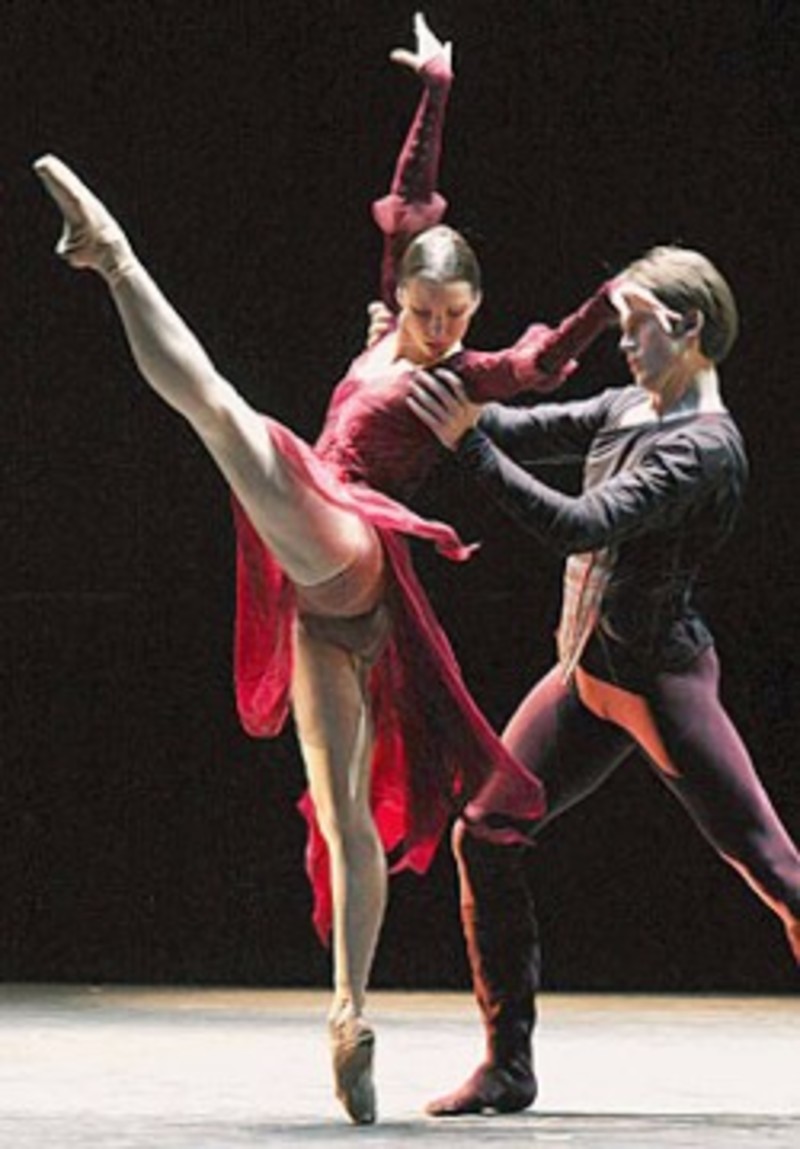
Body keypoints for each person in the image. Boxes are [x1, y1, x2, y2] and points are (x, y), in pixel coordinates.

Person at [33, 12, 620, 1125]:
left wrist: (609, 301)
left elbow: (542, 363)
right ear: (404, 296)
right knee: (344, 813)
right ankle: (349, 1013)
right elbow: (411, 201)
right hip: (336, 608)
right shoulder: (391, 316)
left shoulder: (462, 372)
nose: (437, 329)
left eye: (454, 316)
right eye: (424, 310)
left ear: (474, 309)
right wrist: (436, 88)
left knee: (228, 420)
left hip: (349, 541)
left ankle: (112, 256)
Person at [408, 244, 800, 1116]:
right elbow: (517, 428)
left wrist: (468, 446)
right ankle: (508, 1064)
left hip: (658, 683)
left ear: (688, 328)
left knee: (778, 871)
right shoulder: (629, 405)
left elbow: (581, 522)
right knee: (486, 832)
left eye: (636, 330)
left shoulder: (705, 448)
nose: (623, 346)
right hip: (585, 672)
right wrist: (428, 375)